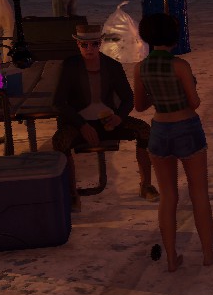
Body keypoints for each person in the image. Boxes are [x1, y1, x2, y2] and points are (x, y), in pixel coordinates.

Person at [131, 12, 213, 272]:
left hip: (160, 131)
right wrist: (185, 87)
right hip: (186, 128)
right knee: (199, 192)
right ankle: (207, 254)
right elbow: (195, 102)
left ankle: (171, 258)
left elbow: (140, 105)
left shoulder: (140, 68)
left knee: (168, 196)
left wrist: (158, 94)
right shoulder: (180, 66)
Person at [53, 24, 157, 211]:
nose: (89, 49)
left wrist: (119, 117)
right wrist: (82, 125)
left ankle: (146, 185)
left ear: (100, 44)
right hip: (79, 123)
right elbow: (59, 102)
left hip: (108, 120)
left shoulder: (112, 66)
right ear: (78, 44)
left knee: (144, 130)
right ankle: (72, 193)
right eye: (84, 45)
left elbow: (128, 98)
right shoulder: (70, 66)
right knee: (60, 141)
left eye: (94, 44)